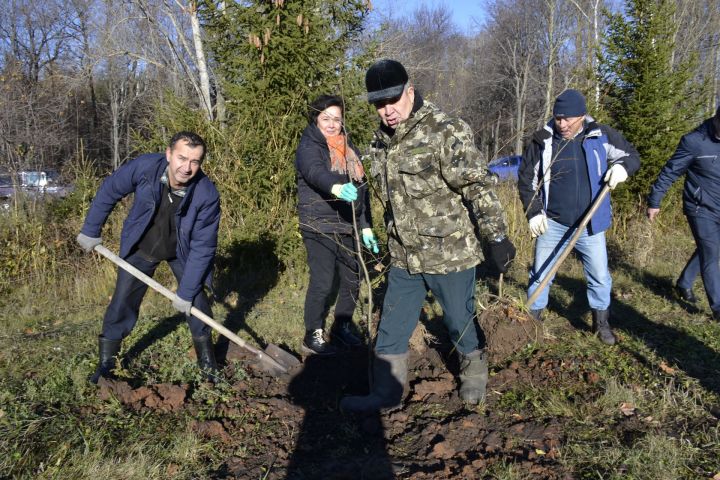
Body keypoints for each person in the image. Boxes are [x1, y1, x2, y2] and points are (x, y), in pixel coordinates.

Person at [340, 59, 516, 412]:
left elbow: (476, 185)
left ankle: (475, 375)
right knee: (392, 324)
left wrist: (496, 236)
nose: (387, 111)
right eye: (379, 104)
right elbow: (382, 197)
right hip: (404, 256)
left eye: (392, 100)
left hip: (449, 253)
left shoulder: (445, 130)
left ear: (410, 91)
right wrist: (370, 229)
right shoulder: (379, 144)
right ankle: (386, 394)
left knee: (457, 318)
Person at [76, 131, 221, 383]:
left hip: (181, 251)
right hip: (142, 246)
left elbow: (203, 247)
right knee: (122, 302)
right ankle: (106, 364)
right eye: (181, 158)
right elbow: (110, 190)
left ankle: (207, 363)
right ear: (168, 154)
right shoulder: (145, 167)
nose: (186, 168)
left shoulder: (206, 194)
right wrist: (90, 230)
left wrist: (185, 292)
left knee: (197, 304)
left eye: (194, 162)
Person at [518, 89, 640, 345]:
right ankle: (533, 321)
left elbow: (631, 156)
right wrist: (534, 212)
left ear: (582, 116)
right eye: (558, 118)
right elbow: (527, 179)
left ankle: (601, 324)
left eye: (568, 119)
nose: (562, 124)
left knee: (599, 276)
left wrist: (621, 168)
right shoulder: (543, 140)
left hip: (591, 223)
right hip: (552, 223)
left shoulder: (601, 135)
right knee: (541, 273)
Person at [295, 94, 378, 355]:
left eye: (337, 119)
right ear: (316, 119)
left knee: (353, 279)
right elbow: (313, 172)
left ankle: (341, 327)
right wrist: (335, 187)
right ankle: (312, 334)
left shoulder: (349, 148)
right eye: (326, 118)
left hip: (347, 224)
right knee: (323, 280)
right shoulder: (309, 145)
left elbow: (362, 190)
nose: (332, 124)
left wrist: (365, 226)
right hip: (318, 223)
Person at [647, 107, 720, 319]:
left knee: (711, 248)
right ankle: (717, 308)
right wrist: (655, 201)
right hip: (700, 207)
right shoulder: (694, 141)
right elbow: (670, 171)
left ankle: (684, 283)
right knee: (711, 252)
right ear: (717, 119)